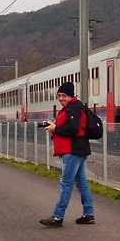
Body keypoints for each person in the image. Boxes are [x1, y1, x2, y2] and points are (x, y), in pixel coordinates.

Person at [39, 82, 95, 228]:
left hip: (73, 150)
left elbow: (73, 128)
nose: (61, 98)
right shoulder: (72, 107)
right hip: (79, 149)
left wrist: (55, 128)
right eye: (59, 96)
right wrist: (54, 125)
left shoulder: (74, 107)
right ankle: (88, 214)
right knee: (82, 183)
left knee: (66, 183)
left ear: (71, 95)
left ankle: (58, 216)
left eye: (64, 96)